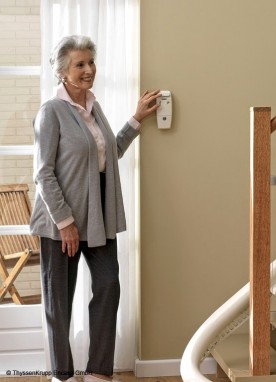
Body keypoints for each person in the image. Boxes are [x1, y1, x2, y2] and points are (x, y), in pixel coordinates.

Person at [30, 35, 160, 382]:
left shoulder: (93, 107)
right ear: (62, 72)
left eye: (91, 62)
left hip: (98, 215)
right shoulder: (51, 112)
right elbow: (43, 173)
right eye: (80, 64)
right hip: (59, 220)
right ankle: (63, 376)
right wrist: (65, 223)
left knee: (108, 286)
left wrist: (135, 120)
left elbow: (106, 157)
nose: (89, 70)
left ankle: (99, 373)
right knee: (59, 302)